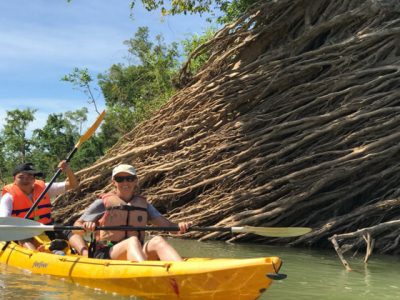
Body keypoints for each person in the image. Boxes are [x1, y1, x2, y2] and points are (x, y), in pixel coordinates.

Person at [74, 164, 191, 261]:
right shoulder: (101, 203)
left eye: (129, 179)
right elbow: (76, 227)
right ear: (113, 182)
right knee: (132, 241)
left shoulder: (144, 205)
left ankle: (182, 274)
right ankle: (146, 275)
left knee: (158, 241)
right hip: (106, 253)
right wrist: (85, 226)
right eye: (120, 179)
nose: (125, 183)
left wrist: (179, 227)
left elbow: (169, 226)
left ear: (135, 181)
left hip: (136, 250)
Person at [0, 161, 88, 256]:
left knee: (66, 229)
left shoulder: (45, 188)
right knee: (23, 237)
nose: (26, 180)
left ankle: (86, 254)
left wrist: (68, 170)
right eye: (21, 177)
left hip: (45, 226)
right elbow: (4, 220)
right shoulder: (8, 197)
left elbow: (73, 185)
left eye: (30, 177)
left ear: (34, 179)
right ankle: (38, 258)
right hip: (23, 229)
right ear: (14, 179)